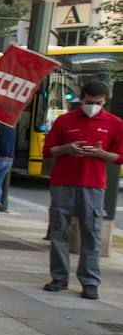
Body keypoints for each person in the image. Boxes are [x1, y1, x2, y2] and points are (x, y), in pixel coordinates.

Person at [42, 80, 123, 299]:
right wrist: (68, 148)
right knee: (59, 231)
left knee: (91, 234)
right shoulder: (64, 120)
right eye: (89, 102)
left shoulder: (114, 123)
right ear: (82, 99)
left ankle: (90, 282)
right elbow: (48, 150)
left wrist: (101, 154)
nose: (93, 105)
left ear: (105, 100)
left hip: (93, 185)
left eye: (98, 102)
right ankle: (59, 278)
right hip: (62, 183)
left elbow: (119, 157)